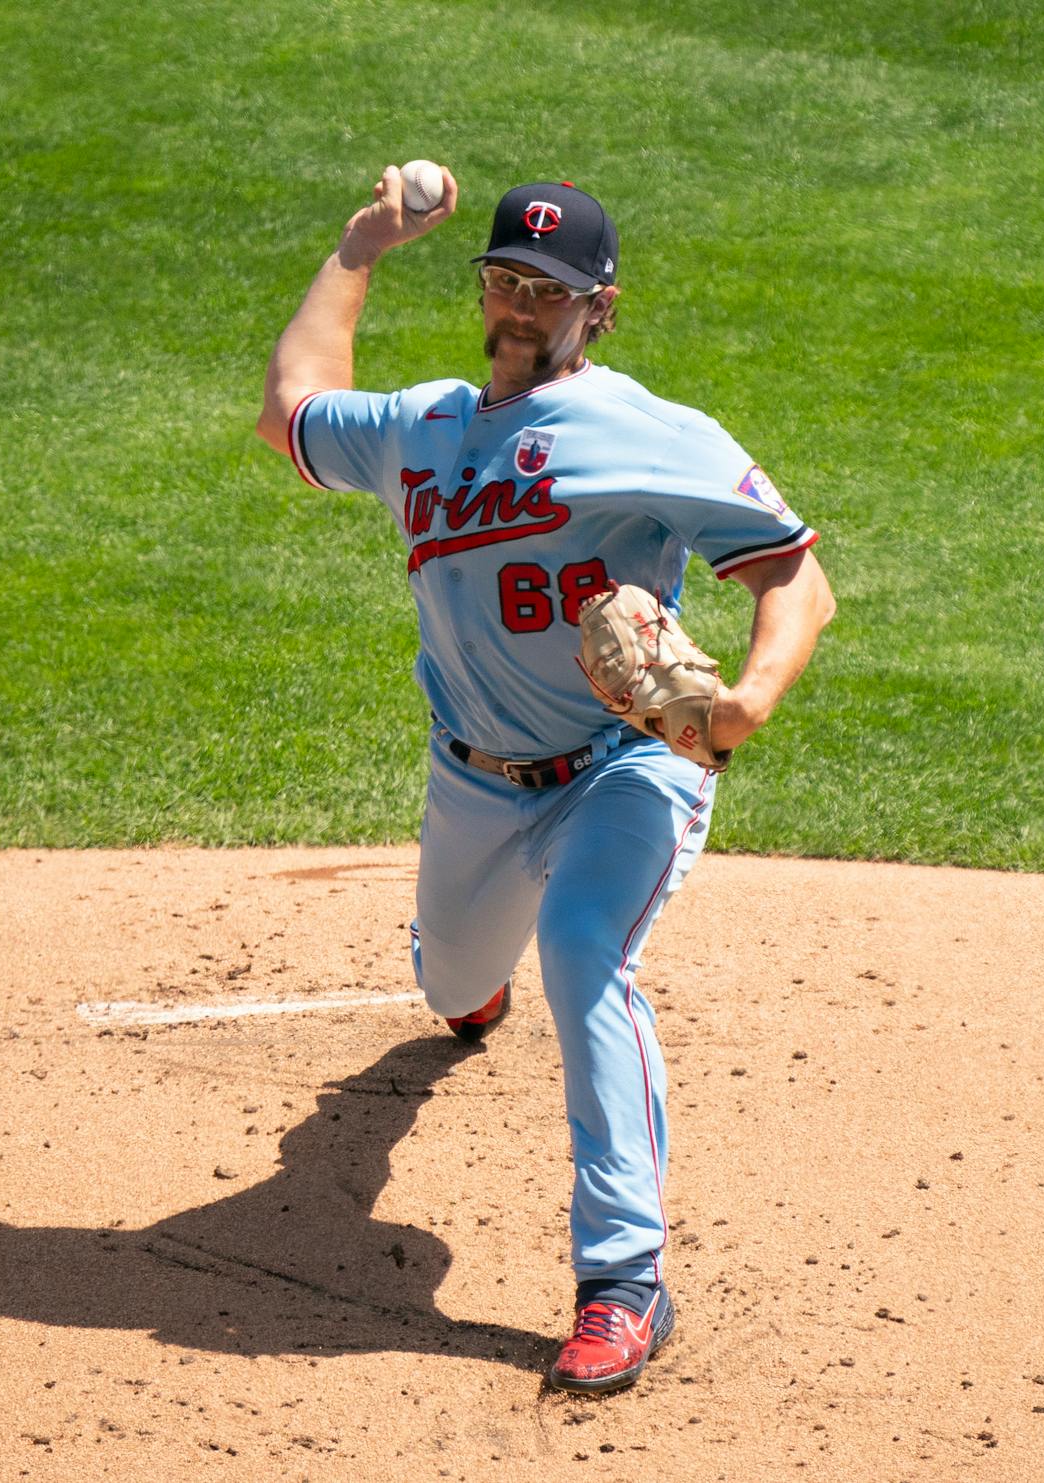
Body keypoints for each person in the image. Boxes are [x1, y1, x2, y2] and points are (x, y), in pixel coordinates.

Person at [254, 166, 836, 1393]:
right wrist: (360, 247)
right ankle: (469, 996)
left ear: (600, 310)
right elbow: (292, 406)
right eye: (506, 281)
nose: (522, 308)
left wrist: (745, 700)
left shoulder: (650, 432)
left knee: (582, 945)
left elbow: (796, 579)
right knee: (454, 978)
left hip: (626, 767)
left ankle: (622, 1284)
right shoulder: (425, 426)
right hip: (473, 783)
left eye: (550, 293)